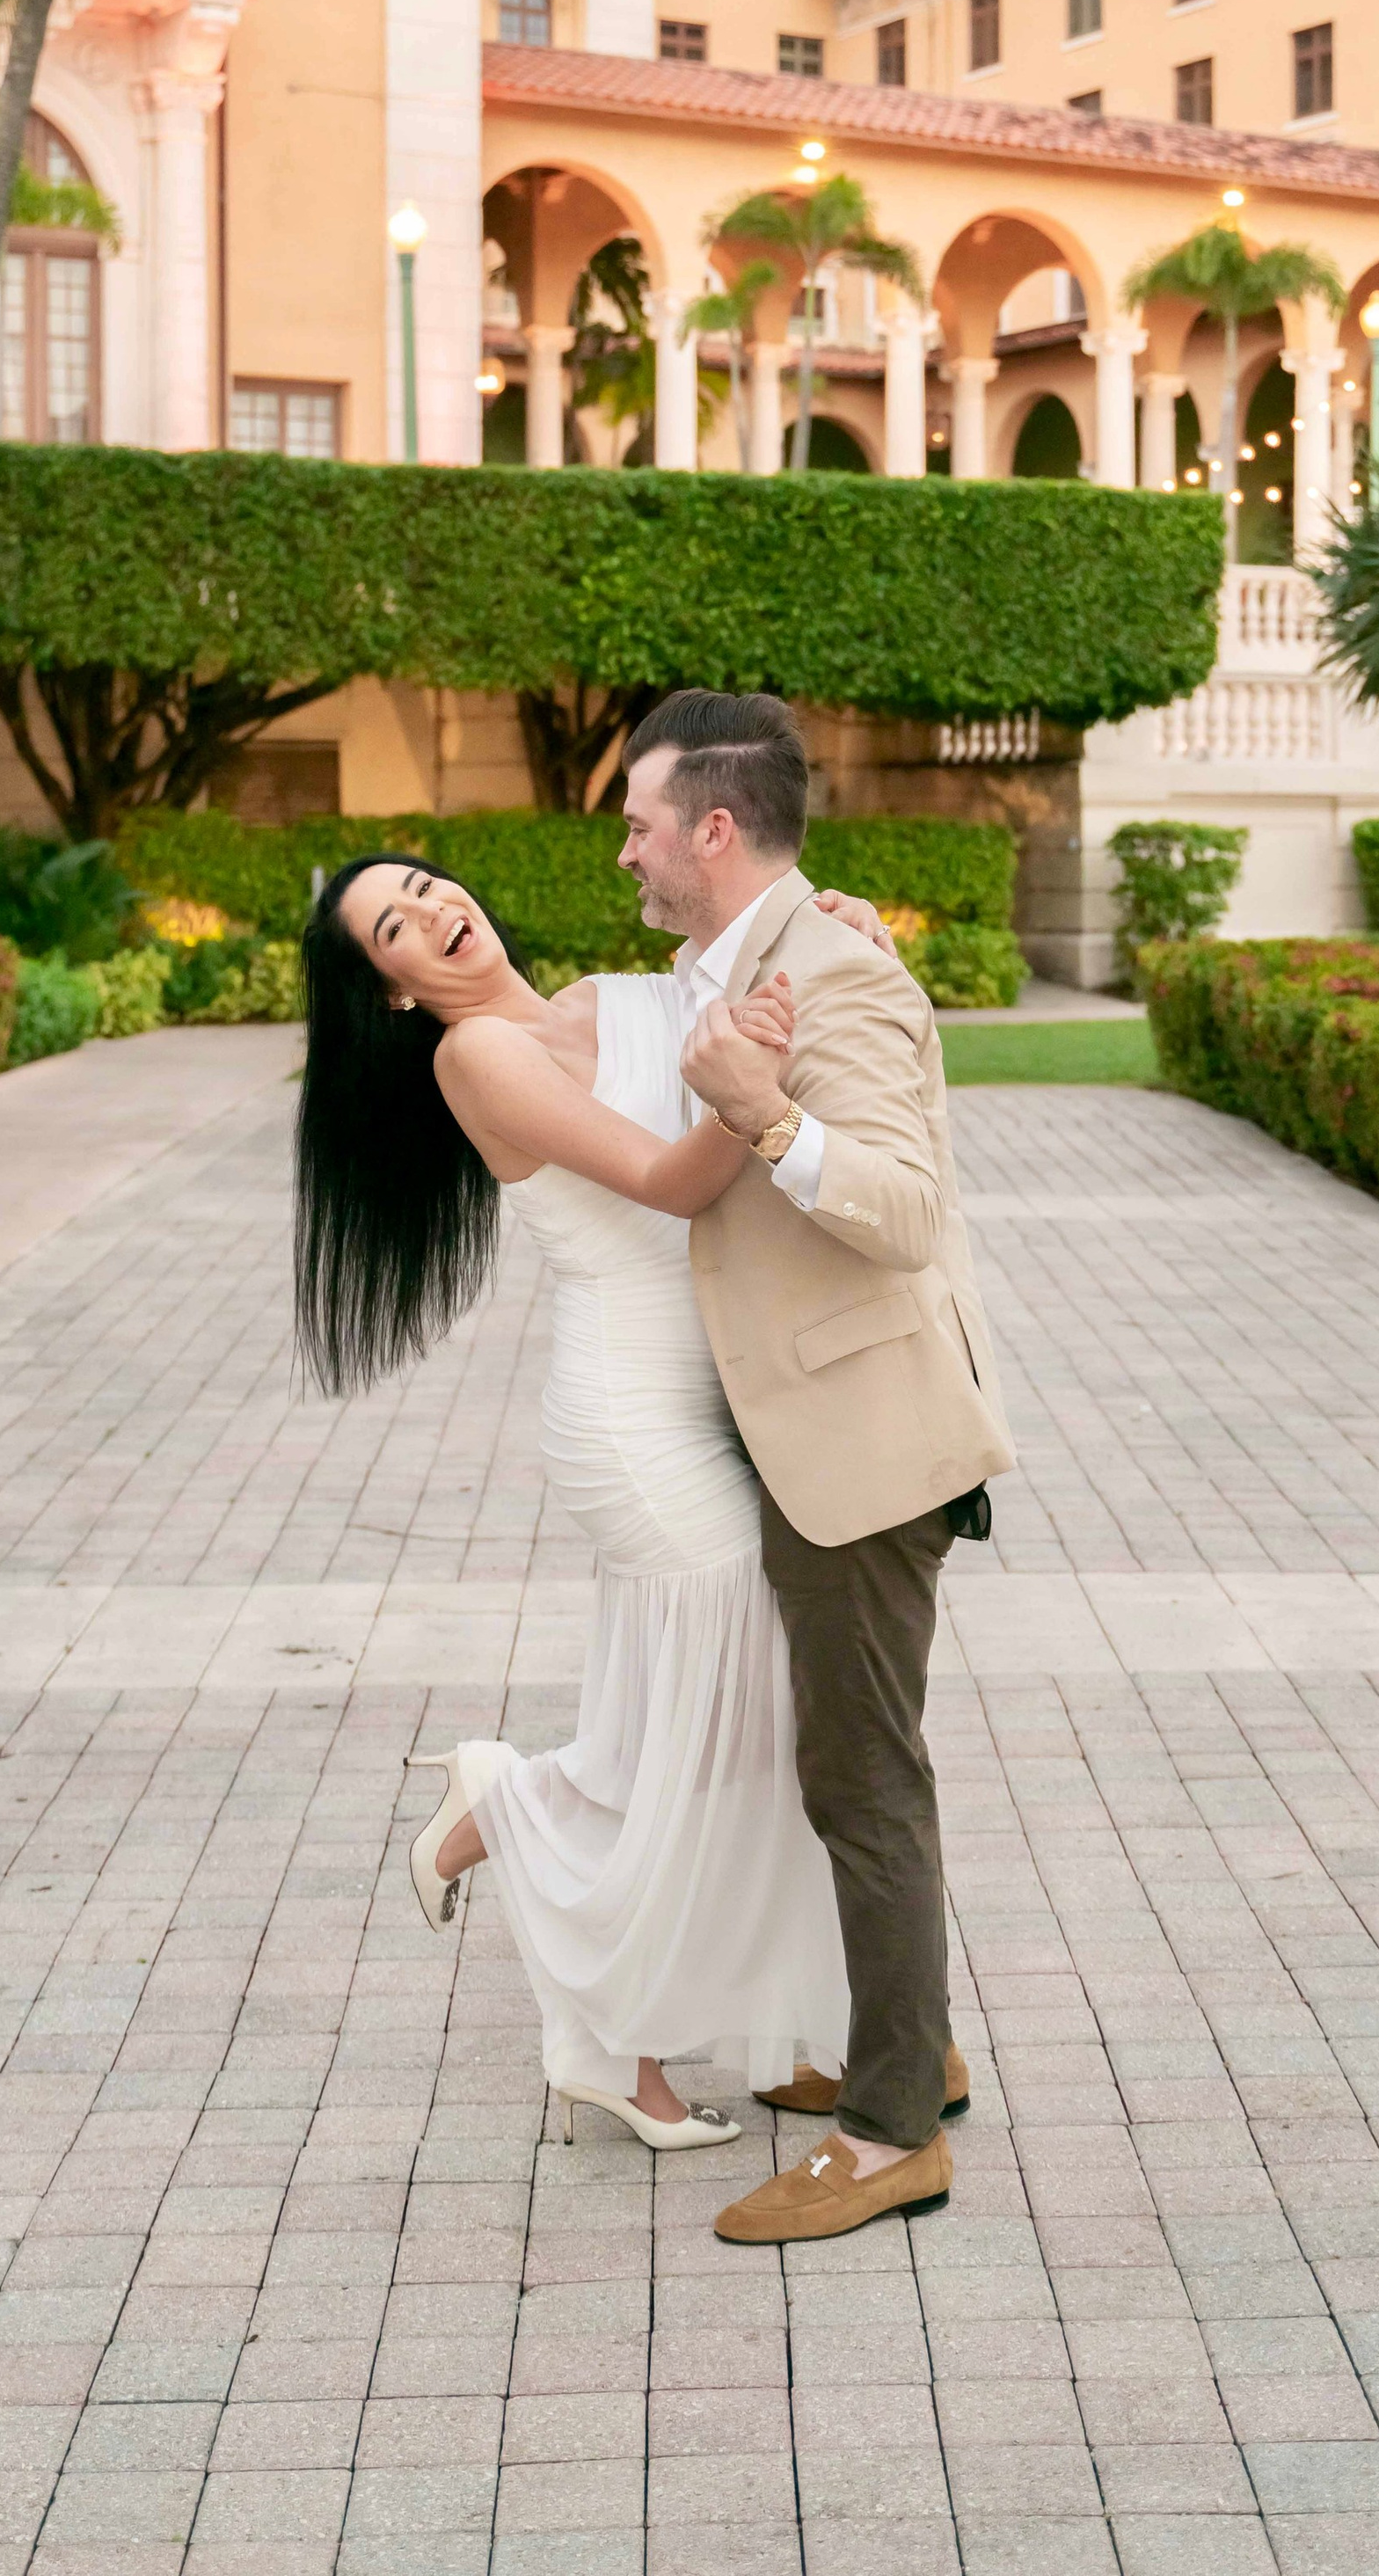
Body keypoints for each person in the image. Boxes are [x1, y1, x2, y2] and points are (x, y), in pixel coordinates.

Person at [295, 850, 886, 2150]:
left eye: (429, 885)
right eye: (396, 927)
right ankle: (605, 2016)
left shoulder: (616, 1000)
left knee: (702, 1727)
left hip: (714, 1409)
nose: (439, 911)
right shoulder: (479, 1061)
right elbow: (675, 1182)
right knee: (728, 1728)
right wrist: (753, 1098)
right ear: (390, 990)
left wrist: (845, 932)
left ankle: (508, 1812)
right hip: (632, 1426)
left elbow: (755, 992)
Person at [618, 690, 1015, 2247]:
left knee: (866, 1783)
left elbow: (905, 1212)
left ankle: (890, 2133)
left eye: (643, 824)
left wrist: (765, 1117)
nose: (628, 851)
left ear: (715, 830)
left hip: (859, 1448)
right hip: (791, 1434)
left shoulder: (828, 974)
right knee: (841, 1773)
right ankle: (907, 2051)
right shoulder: (736, 960)